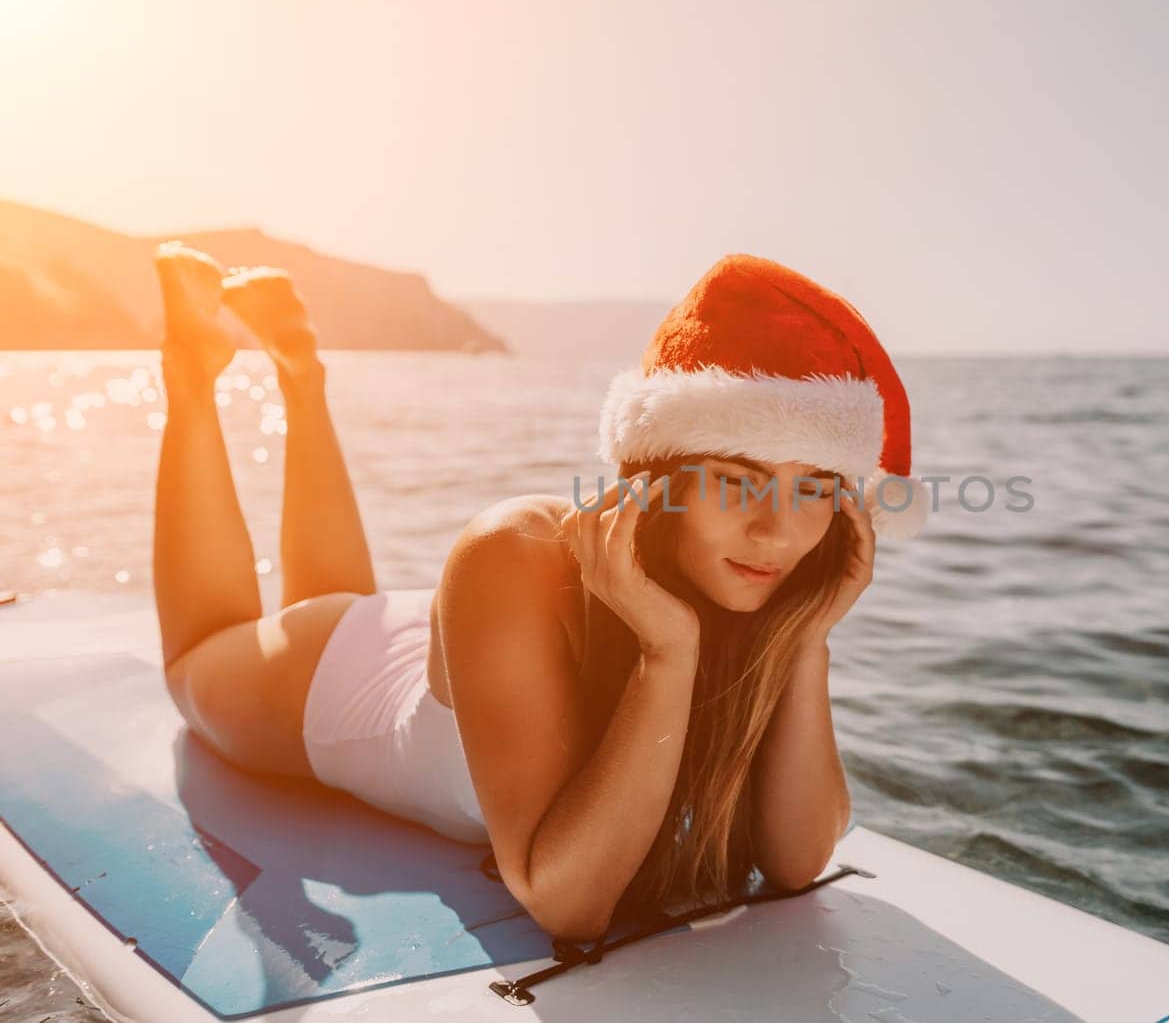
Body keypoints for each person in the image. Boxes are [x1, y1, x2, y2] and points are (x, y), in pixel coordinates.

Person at [150, 242, 931, 943]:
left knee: (340, 592)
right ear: (658, 478)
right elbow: (569, 903)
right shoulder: (514, 546)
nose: (778, 532)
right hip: (338, 679)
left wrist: (808, 636)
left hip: (468, 648)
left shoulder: (756, 591)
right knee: (197, 657)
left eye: (815, 490)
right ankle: (191, 366)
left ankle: (300, 371)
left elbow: (797, 862)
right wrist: (668, 654)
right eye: (736, 481)